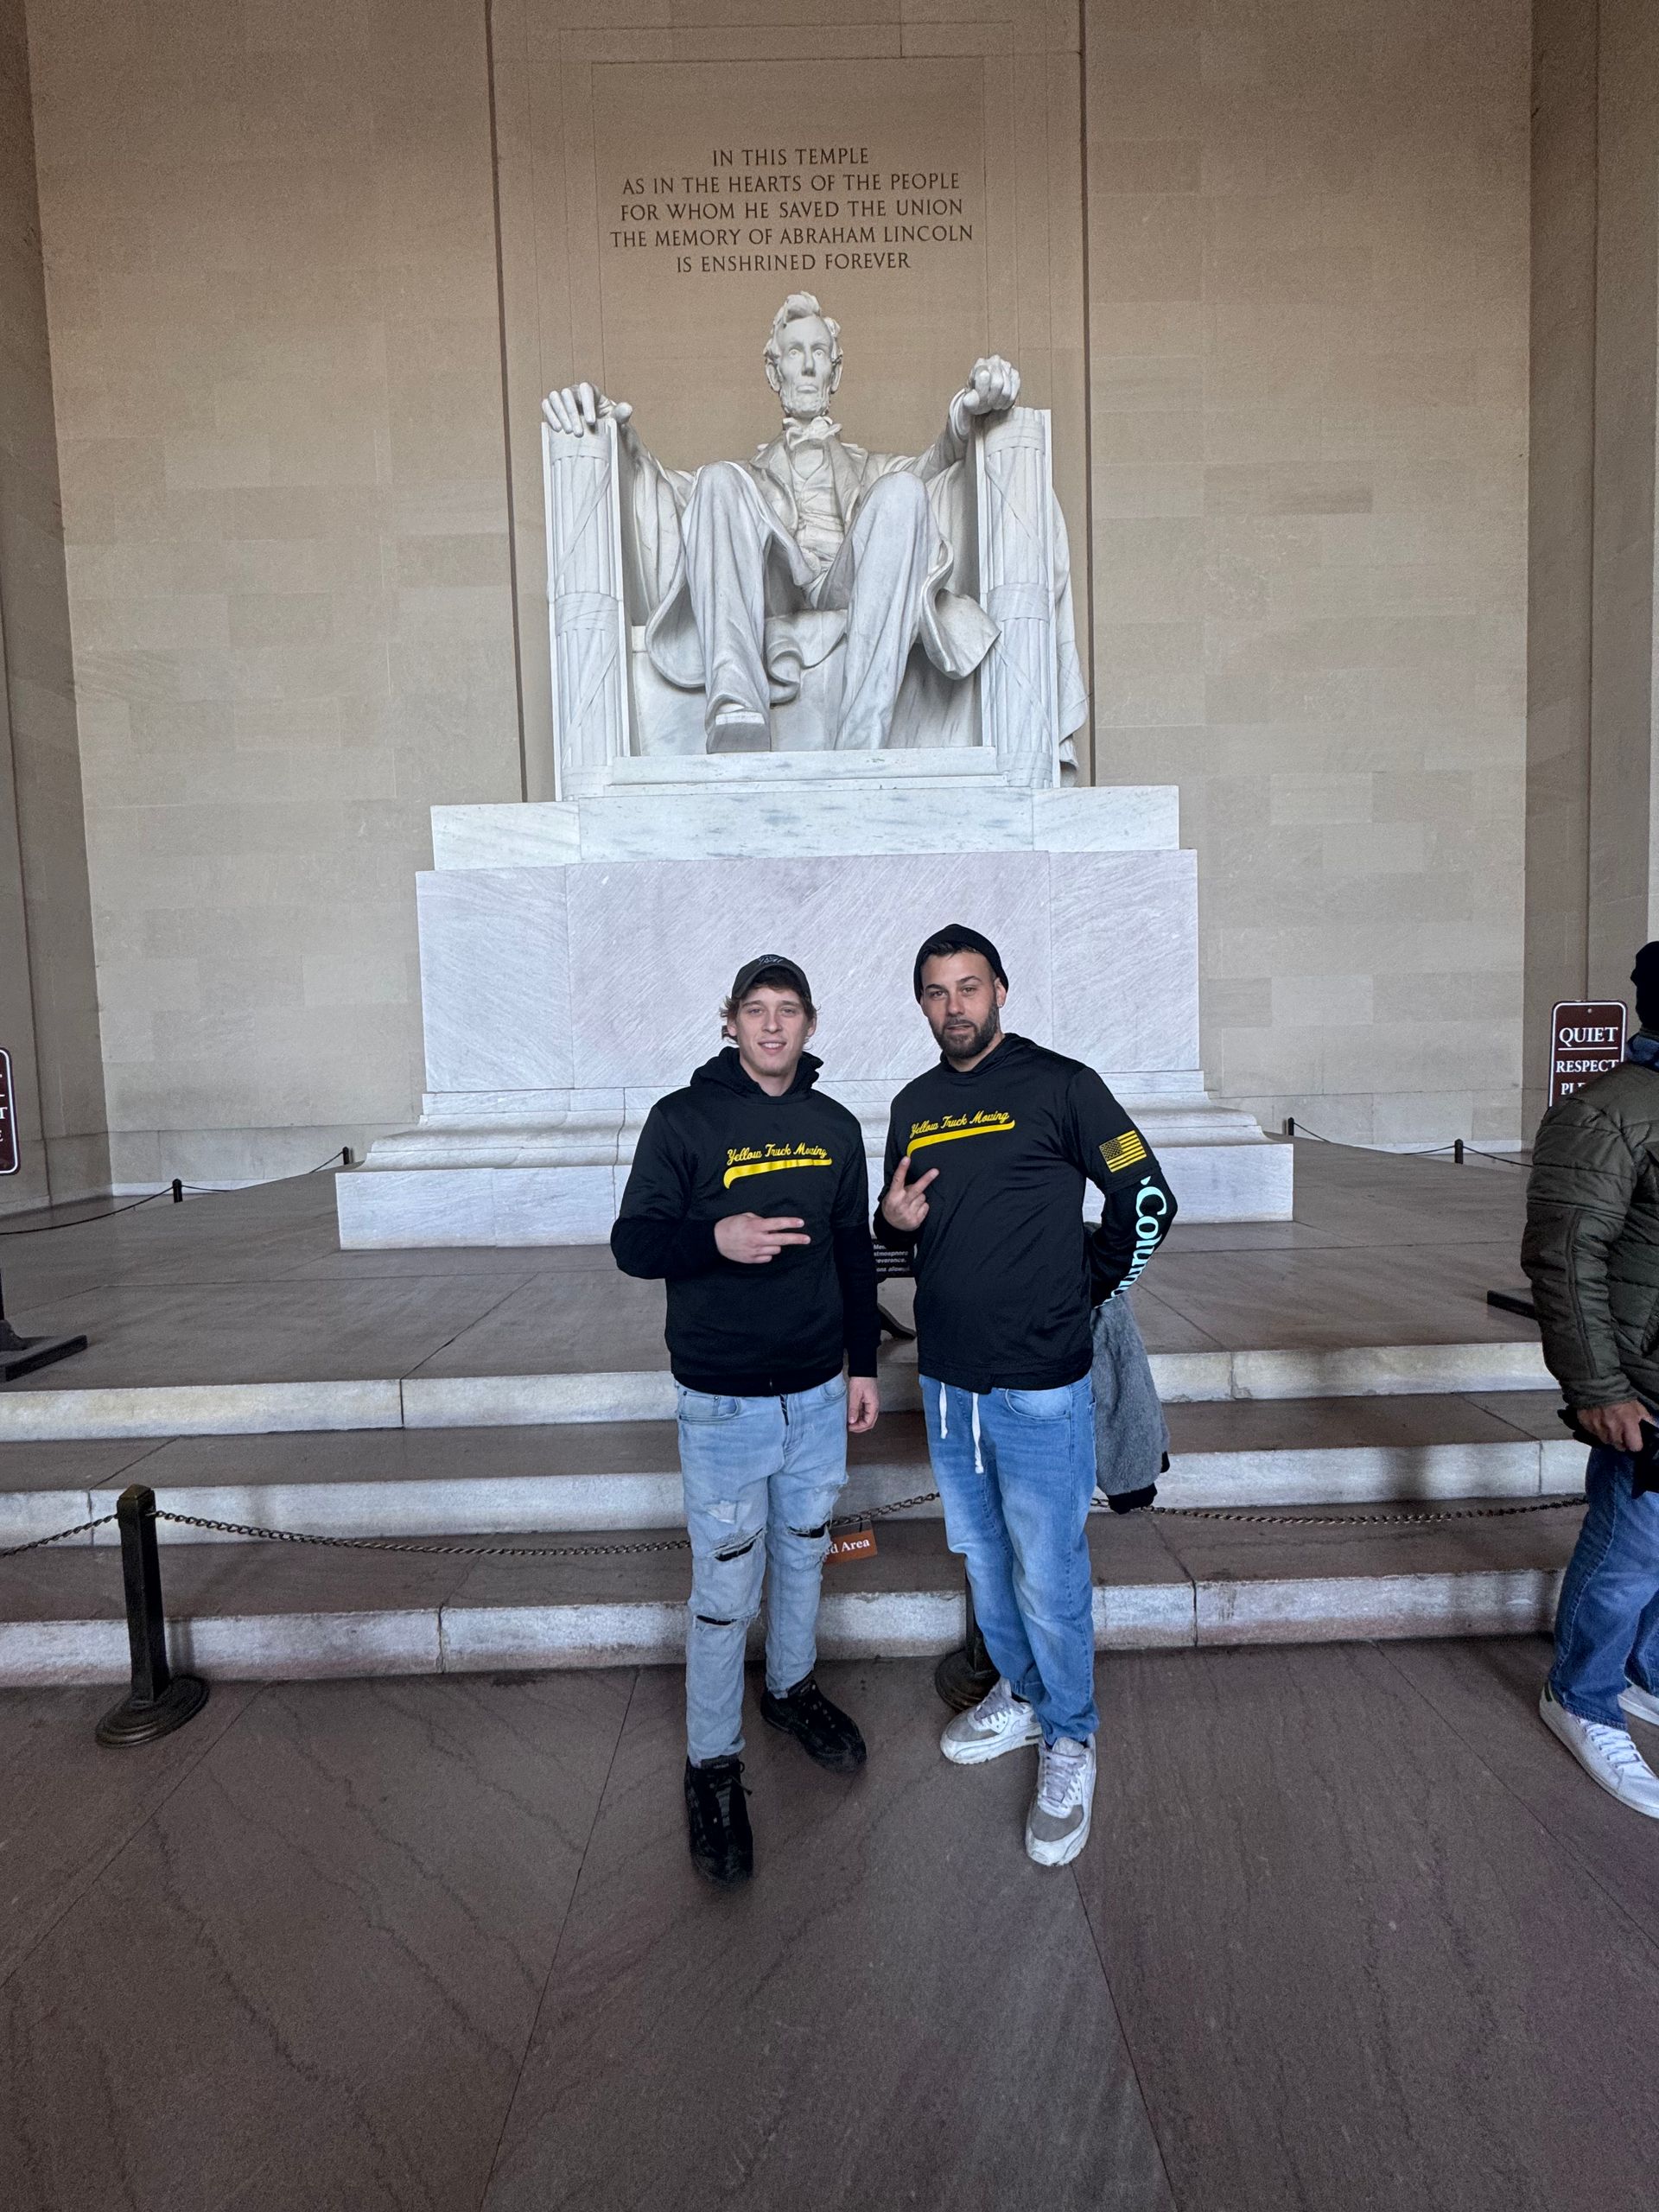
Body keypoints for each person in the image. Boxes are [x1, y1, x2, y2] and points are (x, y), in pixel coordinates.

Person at [875, 924, 1178, 1866]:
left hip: (1043, 1382)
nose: (955, 1005)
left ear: (1001, 989)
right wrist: (892, 1222)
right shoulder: (914, 1103)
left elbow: (1150, 1196)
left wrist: (1090, 1285)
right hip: (948, 1383)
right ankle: (1020, 1689)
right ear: (921, 1003)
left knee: (1049, 1570)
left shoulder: (1064, 1084)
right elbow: (902, 1241)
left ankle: (1072, 1732)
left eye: (970, 986)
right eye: (937, 991)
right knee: (982, 1555)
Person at [543, 291, 1087, 759]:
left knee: (902, 494)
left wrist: (966, 416)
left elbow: (933, 469)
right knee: (718, 478)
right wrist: (615, 435)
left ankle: (862, 736)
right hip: (775, 584)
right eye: (794, 353)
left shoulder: (874, 470)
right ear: (772, 370)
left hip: (852, 579)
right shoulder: (741, 485)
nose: (806, 365)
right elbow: (661, 493)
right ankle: (736, 705)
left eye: (819, 353)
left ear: (836, 371)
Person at [612, 955, 880, 1886]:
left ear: (810, 1023)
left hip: (814, 1392)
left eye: (789, 1011)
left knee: (805, 1547)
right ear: (729, 1022)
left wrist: (862, 1366)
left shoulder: (835, 1126)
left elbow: (854, 1251)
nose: (773, 1026)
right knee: (726, 1587)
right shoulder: (682, 1120)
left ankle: (791, 1688)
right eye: (756, 1011)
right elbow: (633, 1241)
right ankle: (712, 1761)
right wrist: (713, 1239)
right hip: (724, 1400)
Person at [1522, 940, 1659, 1818]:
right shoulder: (1609, 1112)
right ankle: (1582, 1692)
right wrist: (1598, 1386)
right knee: (1629, 1553)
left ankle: (1646, 1674)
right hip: (1643, 1382)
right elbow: (1566, 1259)